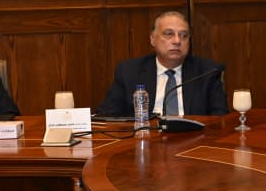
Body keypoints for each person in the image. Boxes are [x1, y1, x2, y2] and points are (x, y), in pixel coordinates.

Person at [95, 11, 228, 117]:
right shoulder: (129, 71)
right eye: (169, 34)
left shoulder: (207, 72)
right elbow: (107, 115)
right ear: (152, 39)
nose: (177, 41)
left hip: (193, 139)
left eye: (184, 35)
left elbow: (220, 119)